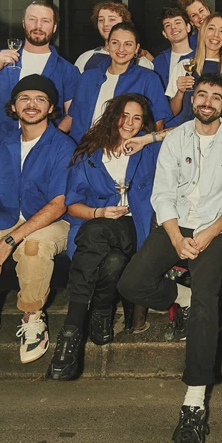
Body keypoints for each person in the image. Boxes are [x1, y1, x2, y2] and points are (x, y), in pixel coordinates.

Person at [117, 73, 222, 443]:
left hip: (218, 228)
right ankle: (183, 298)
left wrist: (209, 234)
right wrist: (177, 238)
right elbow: (161, 192)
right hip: (176, 224)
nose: (208, 101)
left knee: (208, 303)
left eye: (216, 96)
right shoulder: (176, 138)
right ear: (193, 99)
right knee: (132, 283)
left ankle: (193, 406)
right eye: (202, 95)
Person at [47, 94, 161, 380]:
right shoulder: (89, 155)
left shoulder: (148, 151)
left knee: (98, 237)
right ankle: (100, 311)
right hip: (93, 229)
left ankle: (71, 332)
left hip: (134, 228)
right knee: (109, 260)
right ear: (113, 117)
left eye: (137, 118)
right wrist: (99, 213)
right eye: (124, 115)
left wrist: (148, 139)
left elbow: (188, 131)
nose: (130, 123)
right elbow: (72, 204)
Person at [0, 76, 75, 362]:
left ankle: (33, 317)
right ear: (13, 106)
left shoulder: (63, 146)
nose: (32, 104)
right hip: (8, 219)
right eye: (24, 98)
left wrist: (8, 241)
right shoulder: (2, 146)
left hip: (51, 223)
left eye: (40, 99)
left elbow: (58, 204)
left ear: (51, 108)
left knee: (32, 245)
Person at [0, 1, 79, 147]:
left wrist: (48, 140)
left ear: (54, 27)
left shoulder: (67, 70)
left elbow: (73, 114)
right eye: (32, 19)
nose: (38, 26)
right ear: (24, 23)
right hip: (0, 147)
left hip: (46, 151)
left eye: (45, 21)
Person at [67, 22, 171, 144]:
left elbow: (158, 125)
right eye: (115, 43)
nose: (121, 49)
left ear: (136, 48)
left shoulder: (149, 79)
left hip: (125, 152)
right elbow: (73, 117)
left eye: (128, 44)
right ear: (107, 44)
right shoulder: (87, 78)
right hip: (84, 152)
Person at [167, 13, 222, 129]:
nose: (216, 35)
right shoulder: (184, 66)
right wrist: (180, 92)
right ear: (202, 32)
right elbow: (173, 112)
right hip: (189, 135)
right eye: (211, 28)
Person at [74, 1, 154, 73]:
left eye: (112, 19)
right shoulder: (86, 58)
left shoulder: (140, 62)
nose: (105, 24)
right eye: (101, 20)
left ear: (124, 23)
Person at [153, 7, 194, 89]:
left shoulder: (200, 58)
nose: (173, 27)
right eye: (168, 25)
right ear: (164, 34)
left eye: (178, 23)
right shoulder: (158, 62)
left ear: (188, 27)